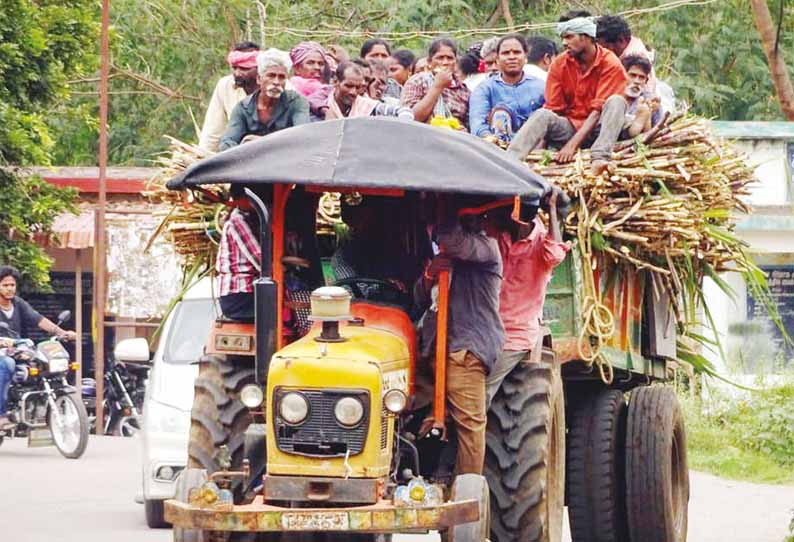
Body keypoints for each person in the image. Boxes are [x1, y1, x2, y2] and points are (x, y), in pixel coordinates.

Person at [414, 201, 505, 475]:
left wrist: (444, 203)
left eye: (470, 219)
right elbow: (420, 298)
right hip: (431, 349)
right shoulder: (442, 256)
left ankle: (466, 496)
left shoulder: (487, 249)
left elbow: (454, 241)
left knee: (469, 427)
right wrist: (431, 273)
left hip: (463, 350)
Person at [507, 16, 628, 175]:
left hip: (601, 128)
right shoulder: (559, 64)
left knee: (616, 101)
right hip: (571, 126)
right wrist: (542, 147)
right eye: (563, 38)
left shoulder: (610, 63)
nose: (564, 43)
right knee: (542, 114)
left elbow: (597, 111)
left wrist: (572, 145)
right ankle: (509, 161)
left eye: (569, 37)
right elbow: (553, 108)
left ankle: (600, 157)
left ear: (585, 38)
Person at [483, 191, 569, 407]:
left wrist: (551, 210)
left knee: (479, 391)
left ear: (521, 221)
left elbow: (555, 255)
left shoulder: (542, 244)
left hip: (514, 335)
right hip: (483, 328)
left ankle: (467, 438)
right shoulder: (497, 235)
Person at [0, 266, 77, 429]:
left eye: (12, 285)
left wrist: (62, 332)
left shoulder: (18, 304)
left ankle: (35, 405)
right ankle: (1, 414)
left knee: (40, 363)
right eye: (5, 285)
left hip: (18, 349)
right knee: (7, 364)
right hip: (3, 354)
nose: (9, 289)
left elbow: (39, 319)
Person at [219, 49, 309, 151]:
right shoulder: (243, 108)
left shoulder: (297, 102)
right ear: (259, 79)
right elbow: (227, 142)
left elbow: (303, 137)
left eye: (281, 77)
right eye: (271, 76)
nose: (276, 82)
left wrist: (259, 142)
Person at [468, 34, 545, 142]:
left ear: (525, 57)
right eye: (505, 53)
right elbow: (477, 124)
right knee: (500, 114)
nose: (512, 57)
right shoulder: (484, 89)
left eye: (517, 52)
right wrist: (488, 137)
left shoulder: (541, 86)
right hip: (498, 149)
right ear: (498, 59)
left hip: (537, 147)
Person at [198, 41, 260, 153]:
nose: (237, 73)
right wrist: (201, 158)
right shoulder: (224, 86)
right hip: (235, 154)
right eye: (234, 68)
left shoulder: (278, 86)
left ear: (259, 68)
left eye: (244, 68)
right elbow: (213, 131)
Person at [401, 38, 471, 129]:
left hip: (456, 139)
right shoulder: (418, 81)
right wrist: (437, 87)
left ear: (456, 62)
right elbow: (409, 118)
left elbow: (470, 124)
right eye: (440, 58)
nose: (445, 63)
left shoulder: (464, 90)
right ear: (429, 62)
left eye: (450, 58)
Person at [216, 186, 261, 320]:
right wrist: (283, 271)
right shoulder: (237, 221)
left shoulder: (249, 219)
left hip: (246, 293)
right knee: (284, 312)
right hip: (238, 296)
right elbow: (259, 257)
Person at [325, 61, 413, 120]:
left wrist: (404, 124)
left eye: (358, 87)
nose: (353, 92)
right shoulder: (322, 104)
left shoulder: (367, 106)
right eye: (348, 86)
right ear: (335, 82)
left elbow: (404, 111)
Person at [596, 15, 656, 92]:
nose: (602, 52)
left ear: (621, 41)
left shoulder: (636, 57)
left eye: (605, 47)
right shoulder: (630, 45)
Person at [622, 54, 662, 137]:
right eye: (632, 75)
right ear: (622, 75)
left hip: (638, 142)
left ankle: (644, 120)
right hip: (614, 138)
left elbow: (659, 129)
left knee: (647, 111)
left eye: (641, 77)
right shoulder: (611, 93)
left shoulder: (651, 100)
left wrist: (650, 113)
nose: (637, 81)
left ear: (646, 80)